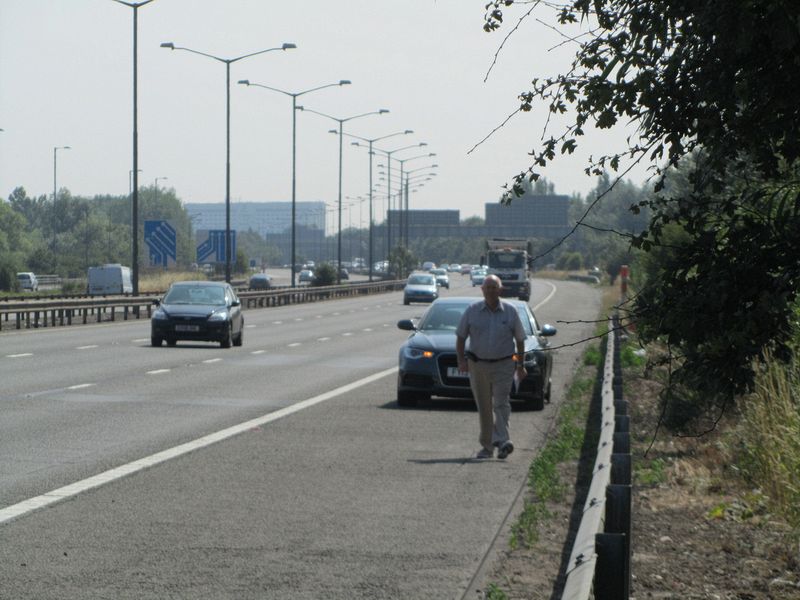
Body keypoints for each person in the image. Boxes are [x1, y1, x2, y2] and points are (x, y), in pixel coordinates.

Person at [455, 274, 527, 459]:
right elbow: (461, 337)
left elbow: (520, 339)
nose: (491, 291)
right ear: (482, 290)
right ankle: (488, 447)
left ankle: (503, 440)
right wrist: (461, 361)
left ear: (500, 290)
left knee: (501, 403)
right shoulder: (472, 311)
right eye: (488, 287)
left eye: (494, 287)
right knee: (484, 407)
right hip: (478, 365)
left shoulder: (510, 311)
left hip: (503, 364)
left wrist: (520, 365)